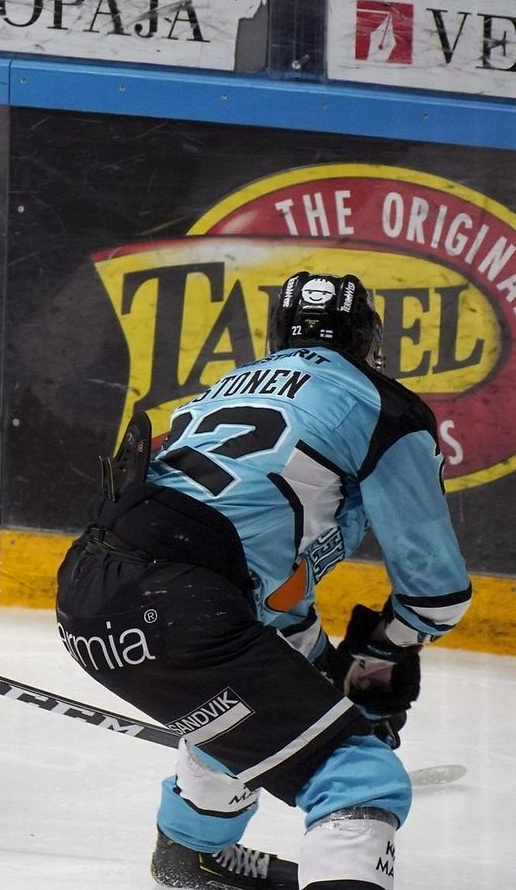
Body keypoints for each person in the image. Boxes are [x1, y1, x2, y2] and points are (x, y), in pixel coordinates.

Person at [55, 272, 471, 889]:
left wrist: (321, 681)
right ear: (369, 340)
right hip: (180, 608)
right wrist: (390, 646)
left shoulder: (220, 391)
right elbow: (434, 589)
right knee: (361, 778)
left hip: (89, 595)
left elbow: (262, 585)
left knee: (237, 705)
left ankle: (192, 852)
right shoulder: (381, 404)